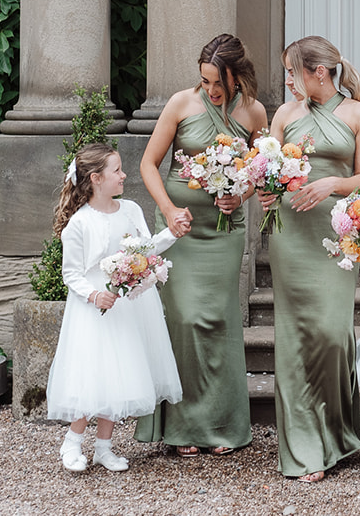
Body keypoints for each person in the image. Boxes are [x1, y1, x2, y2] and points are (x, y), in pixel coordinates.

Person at [133, 34, 266, 455]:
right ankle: (185, 425)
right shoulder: (180, 104)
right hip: (182, 230)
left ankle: (222, 425)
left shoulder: (254, 112)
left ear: (237, 77)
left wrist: (240, 194)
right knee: (186, 319)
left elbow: (260, 172)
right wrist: (169, 211)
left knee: (218, 320)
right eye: (205, 80)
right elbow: (148, 164)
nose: (210, 90)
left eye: (218, 83)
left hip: (224, 231)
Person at [265, 35, 360, 482]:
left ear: (318, 72)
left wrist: (332, 185)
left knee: (332, 334)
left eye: (291, 72)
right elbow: (268, 170)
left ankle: (338, 433)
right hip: (289, 234)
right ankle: (304, 445)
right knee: (295, 339)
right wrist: (261, 185)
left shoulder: (359, 114)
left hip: (336, 234)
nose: (287, 81)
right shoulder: (284, 115)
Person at [47, 142, 190, 472]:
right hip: (93, 310)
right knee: (92, 375)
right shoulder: (79, 224)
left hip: (126, 306)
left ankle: (104, 447)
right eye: (117, 170)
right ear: (96, 178)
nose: (124, 175)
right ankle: (72, 443)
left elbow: (145, 247)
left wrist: (171, 232)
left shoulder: (130, 210)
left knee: (118, 374)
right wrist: (95, 296)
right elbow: (71, 273)